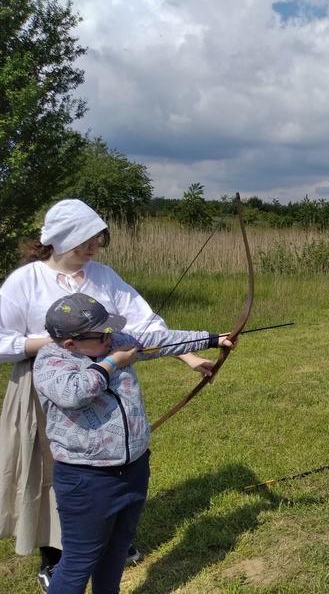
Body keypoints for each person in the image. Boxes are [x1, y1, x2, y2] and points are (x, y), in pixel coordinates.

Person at [0, 199, 218, 592]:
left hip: (109, 379)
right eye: (85, 240)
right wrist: (58, 345)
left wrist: (189, 355)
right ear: (61, 238)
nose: (94, 247)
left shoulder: (102, 275)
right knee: (53, 472)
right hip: (47, 384)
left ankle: (107, 542)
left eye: (97, 239)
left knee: (106, 463)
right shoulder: (26, 280)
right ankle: (57, 557)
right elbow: (2, 342)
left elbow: (142, 327)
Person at [33, 292, 234, 593]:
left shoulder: (114, 343)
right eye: (102, 334)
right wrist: (112, 362)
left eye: (109, 330)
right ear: (71, 343)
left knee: (117, 550)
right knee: (79, 560)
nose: (110, 337)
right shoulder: (50, 362)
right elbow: (75, 393)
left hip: (133, 469)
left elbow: (160, 340)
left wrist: (213, 339)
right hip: (86, 479)